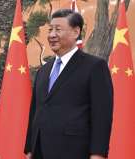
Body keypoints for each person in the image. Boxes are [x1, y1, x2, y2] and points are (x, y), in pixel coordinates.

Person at [24, 9, 113, 159]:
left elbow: (102, 115)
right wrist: (29, 149)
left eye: (58, 29)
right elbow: (35, 111)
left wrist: (98, 154)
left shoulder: (94, 67)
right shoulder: (44, 71)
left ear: (76, 32)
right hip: (40, 150)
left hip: (74, 151)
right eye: (50, 29)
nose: (52, 35)